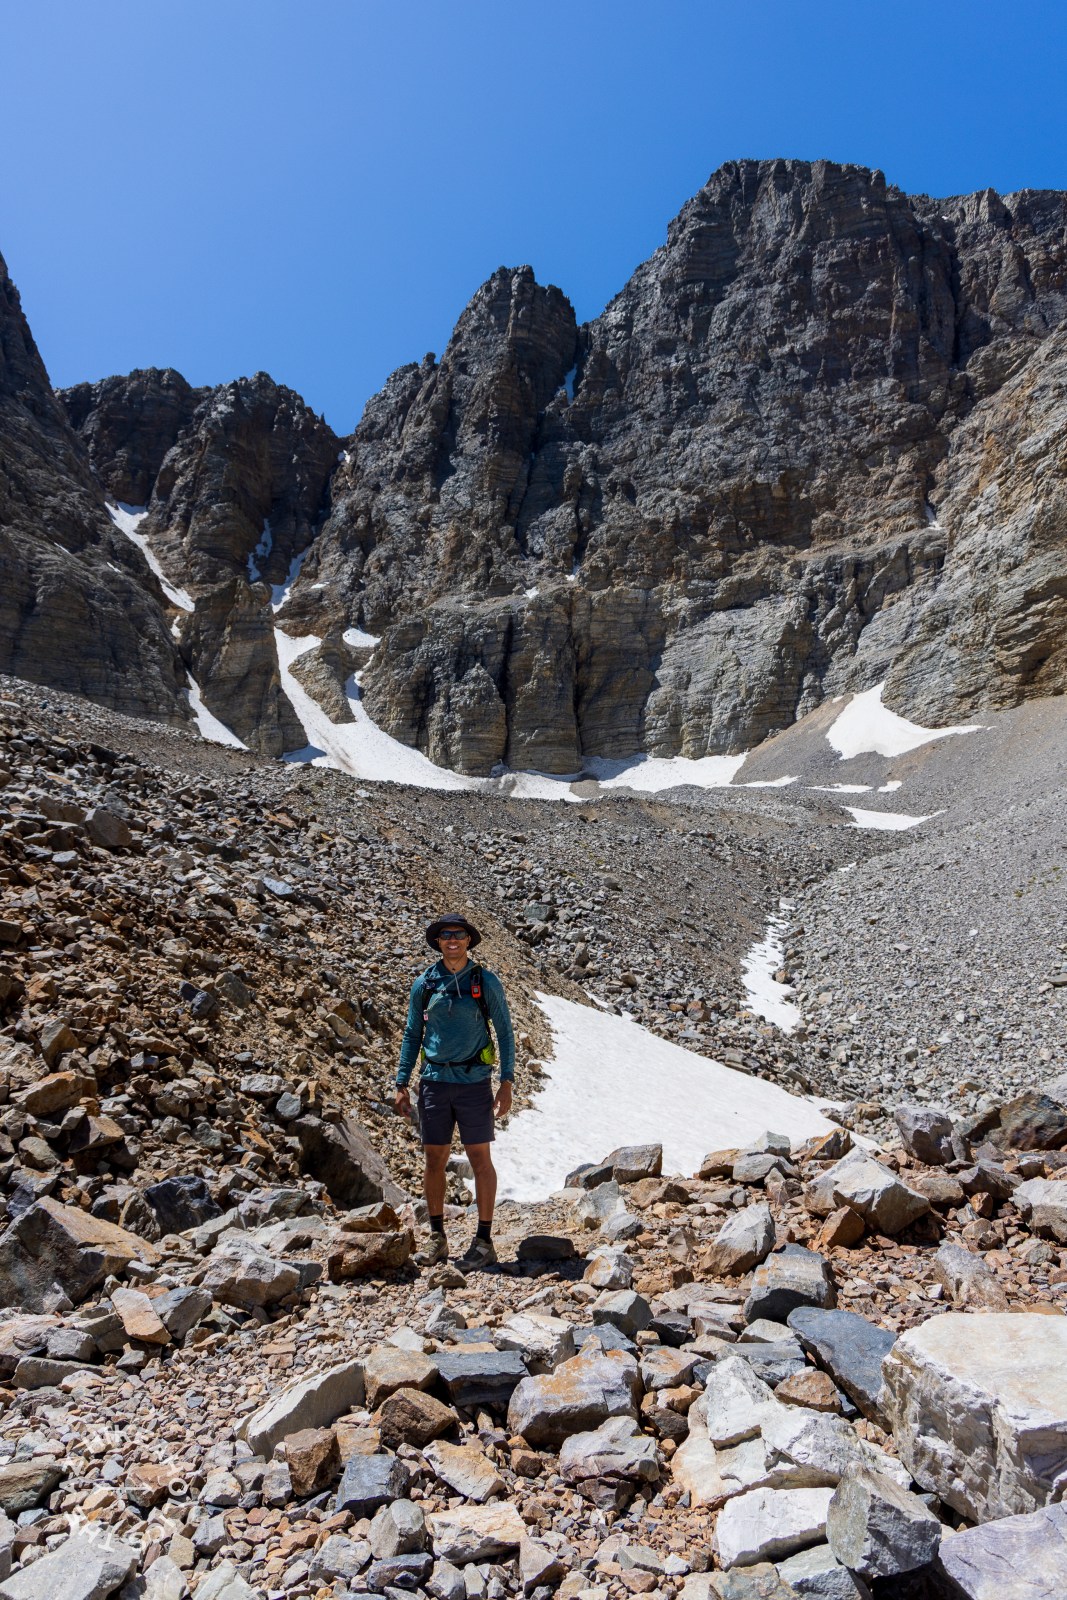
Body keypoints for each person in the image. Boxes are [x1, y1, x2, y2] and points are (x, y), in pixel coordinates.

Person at [394, 913, 515, 1270]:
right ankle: (437, 1238)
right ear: (437, 942)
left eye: (458, 935)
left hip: (474, 1082)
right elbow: (412, 1034)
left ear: (468, 941)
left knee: (480, 1159)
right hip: (433, 1082)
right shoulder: (425, 983)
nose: (452, 940)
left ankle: (484, 1240)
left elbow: (505, 1033)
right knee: (435, 1159)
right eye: (445, 935)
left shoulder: (484, 981)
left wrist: (505, 1082)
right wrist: (401, 1083)